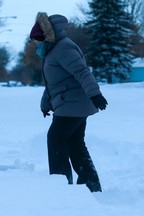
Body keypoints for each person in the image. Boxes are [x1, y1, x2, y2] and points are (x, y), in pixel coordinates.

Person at [29, 12, 108, 192]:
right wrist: (45, 104)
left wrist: (95, 93)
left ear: (46, 36)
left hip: (73, 104)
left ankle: (61, 186)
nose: (36, 44)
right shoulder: (53, 52)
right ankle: (91, 184)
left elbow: (81, 71)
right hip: (71, 103)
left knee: (55, 138)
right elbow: (53, 83)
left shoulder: (63, 48)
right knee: (75, 143)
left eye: (37, 40)